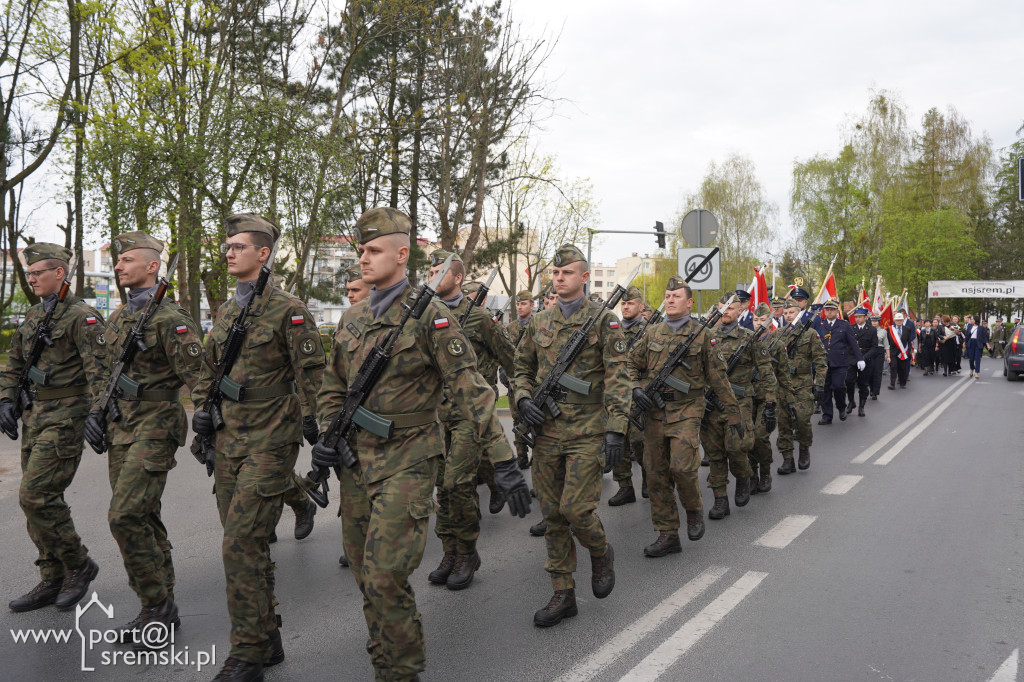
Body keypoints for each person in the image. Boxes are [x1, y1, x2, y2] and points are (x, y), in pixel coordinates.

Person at [314, 208, 529, 678]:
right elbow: (331, 388)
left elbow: (473, 391)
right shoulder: (351, 318)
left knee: (385, 576)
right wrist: (328, 432)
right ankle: (385, 661)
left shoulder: (431, 317)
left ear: (401, 254)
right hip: (355, 463)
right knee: (364, 576)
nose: (364, 258)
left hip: (409, 459)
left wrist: (504, 460)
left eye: (374, 250)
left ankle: (402, 671)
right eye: (362, 250)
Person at [190, 214, 326, 680]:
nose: (229, 253)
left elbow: (312, 375)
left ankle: (246, 652)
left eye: (239, 246)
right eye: (227, 247)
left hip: (272, 437)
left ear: (263, 253)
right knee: (247, 546)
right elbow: (209, 370)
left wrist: (319, 425)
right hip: (229, 438)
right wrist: (201, 411)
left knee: (239, 543)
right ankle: (267, 637)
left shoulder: (289, 309)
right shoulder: (228, 311)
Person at [83, 232, 203, 644]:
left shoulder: (172, 319)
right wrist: (96, 411)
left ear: (152, 267)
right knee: (144, 515)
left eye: (127, 260)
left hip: (156, 424)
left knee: (125, 515)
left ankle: (156, 605)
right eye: (118, 260)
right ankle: (160, 604)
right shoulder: (119, 317)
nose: (118, 266)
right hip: (121, 426)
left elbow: (199, 378)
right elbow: (104, 371)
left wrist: (211, 427)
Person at [514, 244, 628, 627]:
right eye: (555, 273)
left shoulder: (604, 320)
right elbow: (521, 367)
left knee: (576, 510)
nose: (559, 278)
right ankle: (563, 593)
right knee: (552, 515)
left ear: (584, 277)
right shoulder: (538, 322)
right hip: (547, 431)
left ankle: (601, 550)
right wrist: (523, 398)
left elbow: (619, 377)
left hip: (587, 431)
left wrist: (616, 429)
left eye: (567, 273)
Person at [3, 244, 106, 613]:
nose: (31, 279)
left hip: (66, 417)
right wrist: (5, 400)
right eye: (29, 273)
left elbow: (100, 372)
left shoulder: (83, 317)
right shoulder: (34, 315)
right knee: (37, 502)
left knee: (36, 495)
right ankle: (52, 576)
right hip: (34, 416)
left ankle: (79, 563)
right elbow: (15, 363)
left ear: (59, 273)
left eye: (37, 273)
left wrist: (98, 413)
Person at [629, 277, 743, 555]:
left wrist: (734, 414)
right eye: (667, 296)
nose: (670, 300)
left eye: (676, 296)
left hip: (687, 409)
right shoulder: (652, 332)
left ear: (689, 302)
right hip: (654, 412)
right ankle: (667, 533)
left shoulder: (702, 335)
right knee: (656, 475)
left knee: (682, 468)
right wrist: (636, 388)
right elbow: (629, 363)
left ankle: (693, 509)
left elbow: (718, 378)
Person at [426, 250, 519, 592]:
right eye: (430, 272)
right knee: (441, 486)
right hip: (436, 415)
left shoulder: (479, 318)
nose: (433, 277)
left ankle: (467, 552)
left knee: (458, 483)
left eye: (440, 272)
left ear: (457, 277)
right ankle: (449, 551)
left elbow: (512, 359)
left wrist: (523, 395)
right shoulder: (423, 316)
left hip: (470, 414)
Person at [700, 291, 773, 520]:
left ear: (740, 310)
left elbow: (766, 372)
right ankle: (720, 499)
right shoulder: (706, 336)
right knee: (714, 453)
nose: (725, 312)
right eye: (722, 307)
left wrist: (770, 403)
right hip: (711, 404)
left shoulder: (749, 338)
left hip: (739, 404)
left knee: (736, 448)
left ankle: (743, 476)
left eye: (730, 308)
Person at [337, 263, 368, 569]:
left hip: (393, 433)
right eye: (347, 290)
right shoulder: (347, 320)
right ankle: (355, 541)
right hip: (350, 424)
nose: (350, 295)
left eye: (356, 289)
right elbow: (333, 377)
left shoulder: (407, 317)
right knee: (352, 491)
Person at [776, 299, 826, 473]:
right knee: (784, 423)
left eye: (792, 312)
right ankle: (787, 459)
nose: (788, 316)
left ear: (799, 313)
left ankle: (804, 448)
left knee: (802, 419)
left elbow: (820, 359)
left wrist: (819, 383)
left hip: (802, 384)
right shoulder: (778, 334)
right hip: (782, 386)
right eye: (785, 313)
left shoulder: (810, 334)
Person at [609, 285, 647, 506]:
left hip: (637, 394)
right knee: (617, 442)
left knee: (640, 442)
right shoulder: (613, 329)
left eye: (630, 303)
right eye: (623, 303)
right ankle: (625, 486)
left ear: (641, 307)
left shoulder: (649, 330)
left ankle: (648, 477)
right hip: (615, 395)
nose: (625, 307)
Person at [750, 303, 786, 493]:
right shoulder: (745, 342)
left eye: (762, 320)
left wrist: (788, 401)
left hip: (768, 398)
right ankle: (751, 475)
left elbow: (784, 375)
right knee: (747, 438)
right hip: (747, 397)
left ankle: (765, 472)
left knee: (760, 436)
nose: (758, 323)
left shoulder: (777, 344)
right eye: (755, 320)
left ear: (770, 321)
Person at [816, 299, 863, 424]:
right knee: (825, 389)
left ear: (837, 311)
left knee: (838, 386)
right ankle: (827, 415)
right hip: (823, 362)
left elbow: (853, 343)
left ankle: (841, 407)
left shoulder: (844, 325)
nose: (829, 312)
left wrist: (860, 358)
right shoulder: (820, 324)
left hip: (840, 362)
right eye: (827, 310)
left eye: (832, 310)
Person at [506, 290, 535, 470]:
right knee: (517, 420)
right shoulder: (510, 328)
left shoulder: (539, 324)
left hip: (533, 381)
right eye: (517, 304)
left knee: (536, 419)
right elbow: (503, 351)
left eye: (523, 303)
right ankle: (521, 455)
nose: (519, 307)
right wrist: (503, 371)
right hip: (513, 381)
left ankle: (538, 456)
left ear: (532, 304)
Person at [844, 307, 878, 417]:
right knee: (849, 381)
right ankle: (851, 402)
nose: (857, 319)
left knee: (863, 384)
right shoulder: (850, 328)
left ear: (865, 317)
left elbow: (874, 347)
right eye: (856, 317)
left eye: (860, 317)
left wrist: (864, 358)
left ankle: (861, 406)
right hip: (852, 358)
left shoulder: (872, 330)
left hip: (866, 358)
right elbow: (847, 344)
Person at [886, 312, 914, 389]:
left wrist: (908, 352)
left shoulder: (907, 329)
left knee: (902, 368)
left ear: (903, 320)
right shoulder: (890, 329)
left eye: (900, 320)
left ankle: (902, 383)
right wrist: (888, 353)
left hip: (903, 351)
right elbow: (888, 341)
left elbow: (909, 341)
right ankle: (892, 384)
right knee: (893, 367)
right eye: (897, 320)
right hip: (893, 352)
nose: (899, 321)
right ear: (894, 321)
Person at [868, 315, 887, 398]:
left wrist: (888, 356)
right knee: (870, 372)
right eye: (873, 321)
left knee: (877, 372)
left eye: (876, 321)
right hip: (870, 351)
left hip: (879, 351)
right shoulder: (868, 330)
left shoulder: (883, 331)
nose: (874, 323)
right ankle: (871, 389)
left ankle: (875, 392)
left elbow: (886, 344)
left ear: (879, 322)